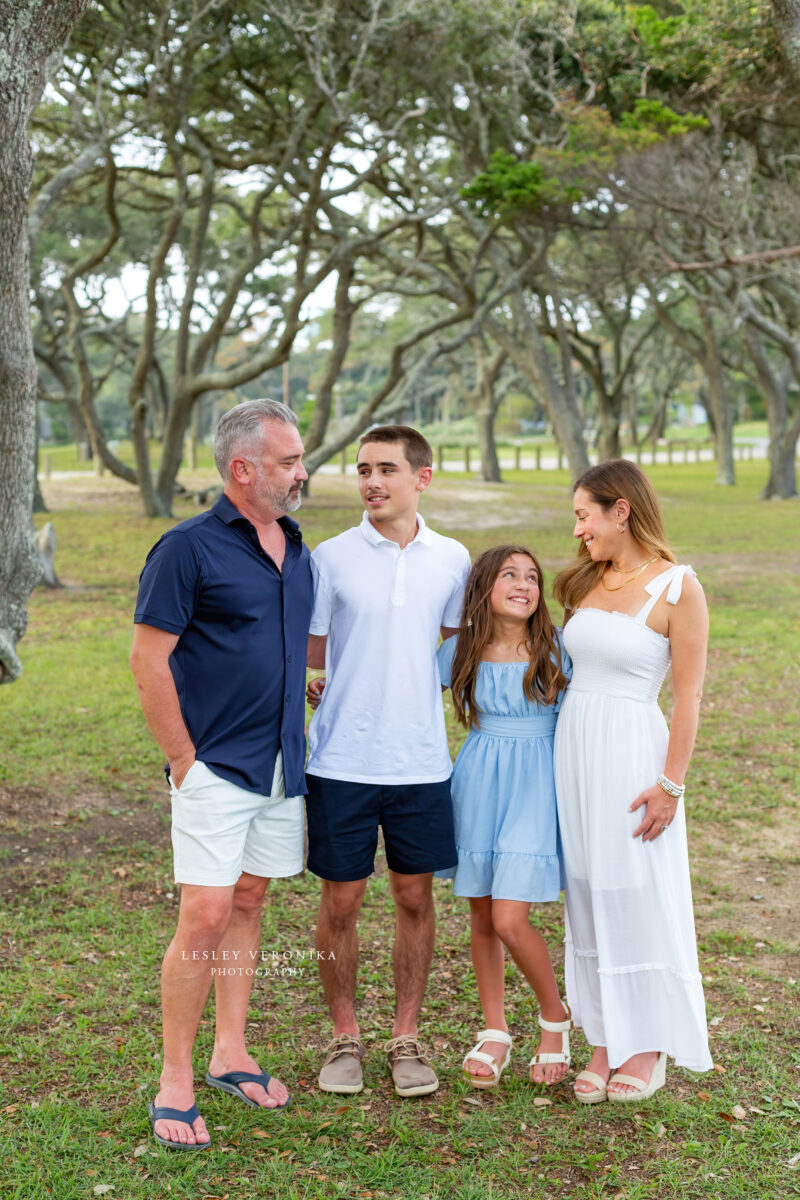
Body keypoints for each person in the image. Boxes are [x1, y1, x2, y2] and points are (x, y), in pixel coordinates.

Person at [130, 399, 312, 1150]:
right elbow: (149, 659)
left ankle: (229, 1051)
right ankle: (175, 1078)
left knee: (248, 898)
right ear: (243, 469)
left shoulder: (297, 544)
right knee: (203, 915)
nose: (302, 473)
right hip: (214, 766)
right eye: (288, 462)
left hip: (282, 763)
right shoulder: (186, 549)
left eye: (300, 459)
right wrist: (181, 758)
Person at [304, 425, 471, 1097]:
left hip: (420, 763)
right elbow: (313, 647)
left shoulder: (453, 559)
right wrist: (329, 683)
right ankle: (345, 1036)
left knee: (413, 896)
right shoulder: (331, 556)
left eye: (387, 470)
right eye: (364, 469)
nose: (372, 482)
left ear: (421, 478)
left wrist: (416, 688)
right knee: (340, 900)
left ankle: (407, 1036)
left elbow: (459, 641)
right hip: (341, 758)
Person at [552, 458, 712, 1105]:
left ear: (621, 510)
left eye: (584, 515)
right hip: (575, 751)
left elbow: (690, 698)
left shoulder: (678, 587)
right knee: (587, 886)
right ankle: (603, 1036)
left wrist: (670, 786)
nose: (577, 530)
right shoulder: (586, 580)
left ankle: (645, 1044)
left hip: (631, 755)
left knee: (632, 887)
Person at [437, 545, 573, 1090]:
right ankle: (495, 1029)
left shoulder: (555, 646)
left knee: (509, 917)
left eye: (533, 576)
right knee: (481, 912)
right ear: (483, 588)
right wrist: (329, 691)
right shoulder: (459, 650)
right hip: (477, 780)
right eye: (509, 575)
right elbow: (401, 696)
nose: (524, 583)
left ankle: (553, 1018)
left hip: (537, 783)